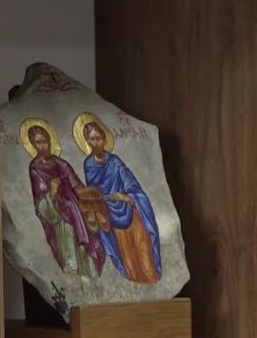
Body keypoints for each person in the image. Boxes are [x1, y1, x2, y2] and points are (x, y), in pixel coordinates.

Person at [81, 120, 163, 284]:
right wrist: (109, 199)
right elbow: (95, 193)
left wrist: (127, 197)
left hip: (127, 208)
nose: (97, 143)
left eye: (99, 138)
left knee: (143, 241)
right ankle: (135, 280)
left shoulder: (114, 161)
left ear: (104, 139)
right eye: (92, 139)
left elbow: (129, 181)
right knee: (126, 251)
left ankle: (152, 277)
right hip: (109, 212)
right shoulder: (89, 165)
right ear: (88, 142)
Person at [27, 124, 105, 278]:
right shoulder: (35, 168)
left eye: (45, 141)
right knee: (68, 225)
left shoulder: (61, 164)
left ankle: (90, 271)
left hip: (73, 208)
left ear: (50, 142)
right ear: (34, 145)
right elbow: (40, 204)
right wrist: (53, 192)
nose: (43, 146)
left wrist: (93, 202)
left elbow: (77, 186)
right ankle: (72, 267)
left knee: (82, 218)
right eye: (38, 142)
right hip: (57, 213)